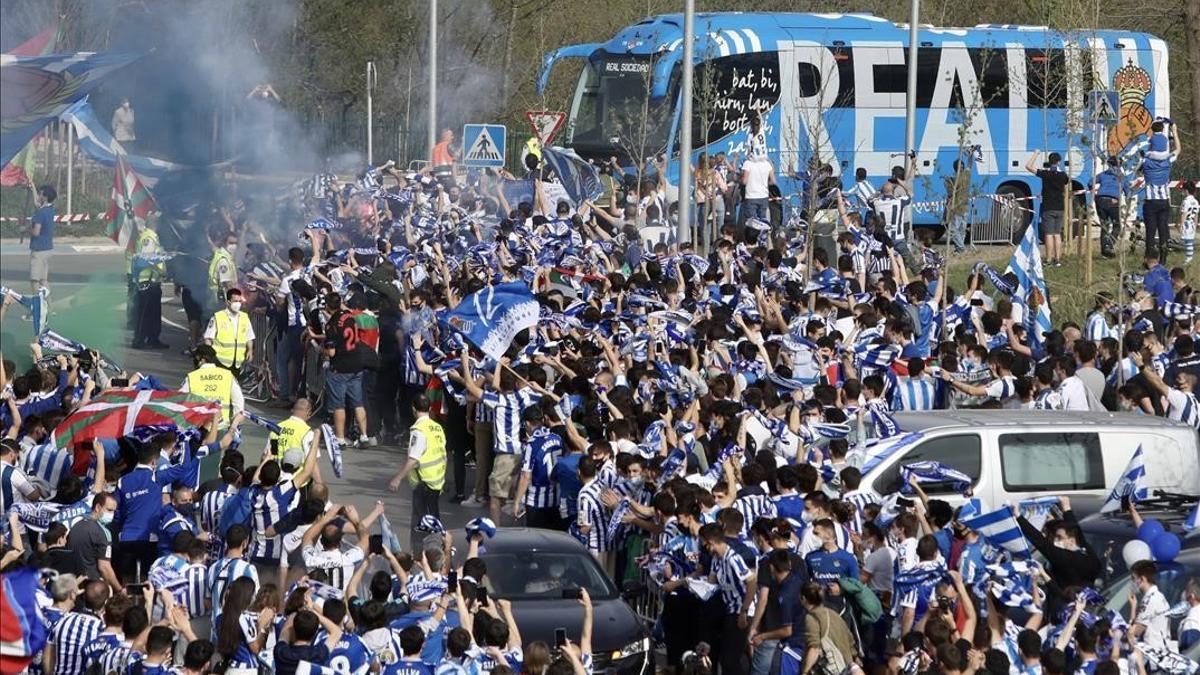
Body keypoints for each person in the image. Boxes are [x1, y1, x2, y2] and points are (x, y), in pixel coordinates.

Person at [389, 394, 446, 551]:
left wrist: (398, 478)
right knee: (434, 519)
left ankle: (420, 554)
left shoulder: (418, 430)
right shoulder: (437, 427)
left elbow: (413, 458)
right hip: (436, 480)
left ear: (413, 409)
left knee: (420, 522)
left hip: (423, 482)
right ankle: (437, 551)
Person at [512, 406, 565, 530]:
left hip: (536, 502)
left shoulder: (531, 444)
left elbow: (526, 476)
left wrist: (517, 501)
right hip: (556, 499)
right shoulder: (557, 438)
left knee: (536, 540)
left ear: (527, 423)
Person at [1140, 120, 1180, 262]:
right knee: (1163, 230)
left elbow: (1143, 158)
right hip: (1164, 201)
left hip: (1150, 201)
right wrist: (1174, 131)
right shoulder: (1167, 161)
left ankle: (1149, 259)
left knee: (1151, 232)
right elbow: (1178, 149)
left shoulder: (1146, 162)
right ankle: (1163, 259)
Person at [131, 216, 170, 349]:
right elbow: (147, 259)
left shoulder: (153, 237)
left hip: (153, 282)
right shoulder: (148, 238)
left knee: (154, 312)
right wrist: (160, 271)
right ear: (156, 224)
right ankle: (139, 340)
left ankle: (153, 338)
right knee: (144, 313)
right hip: (146, 281)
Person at [182, 345, 245, 427]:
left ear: (201, 359)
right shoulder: (227, 375)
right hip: (222, 425)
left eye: (195, 358)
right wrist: (235, 422)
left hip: (198, 425)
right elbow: (238, 400)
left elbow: (181, 399)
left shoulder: (192, 377)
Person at [1026, 150, 1070, 267]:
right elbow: (1067, 180)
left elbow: (1028, 167)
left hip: (1048, 207)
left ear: (1049, 162)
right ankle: (1058, 259)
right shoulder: (1062, 175)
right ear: (1059, 162)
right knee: (1057, 234)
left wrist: (1035, 154)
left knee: (1049, 234)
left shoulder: (1045, 174)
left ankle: (1049, 259)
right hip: (1060, 207)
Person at [203, 288, 254, 375]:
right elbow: (208, 338)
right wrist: (208, 357)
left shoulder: (244, 317)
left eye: (239, 301)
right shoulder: (218, 317)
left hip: (237, 363)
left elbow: (249, 337)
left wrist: (250, 350)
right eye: (235, 301)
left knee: (232, 387)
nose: (238, 304)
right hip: (219, 361)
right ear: (228, 302)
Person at [28, 183, 56, 297]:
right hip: (48, 249)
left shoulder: (40, 212)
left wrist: (25, 229)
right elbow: (36, 202)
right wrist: (33, 187)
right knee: (43, 280)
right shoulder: (49, 209)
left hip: (38, 250)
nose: (39, 195)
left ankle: (36, 309)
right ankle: (49, 308)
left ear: (45, 197)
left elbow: (36, 232)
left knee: (34, 281)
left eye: (40, 194)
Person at [1093, 156, 1124, 258]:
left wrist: (1092, 189)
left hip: (1100, 200)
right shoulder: (1121, 176)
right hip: (1113, 201)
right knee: (1117, 226)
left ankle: (1104, 253)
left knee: (1104, 226)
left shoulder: (1103, 175)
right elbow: (1127, 190)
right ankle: (1109, 245)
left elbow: (1090, 182)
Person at [208, 230, 240, 312]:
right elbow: (227, 283)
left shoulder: (225, 256)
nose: (234, 246)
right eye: (231, 243)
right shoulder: (224, 261)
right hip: (222, 300)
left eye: (235, 243)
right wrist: (235, 300)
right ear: (224, 243)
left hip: (219, 299)